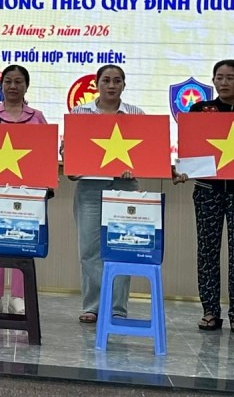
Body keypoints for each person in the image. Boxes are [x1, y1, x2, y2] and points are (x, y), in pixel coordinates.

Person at [172, 59, 234, 334]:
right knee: (207, 251)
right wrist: (184, 170)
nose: (223, 82)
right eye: (219, 77)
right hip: (207, 191)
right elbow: (190, 152)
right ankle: (210, 311)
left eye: (230, 77)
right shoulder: (200, 111)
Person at [69, 64, 143, 324]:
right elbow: (68, 151)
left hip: (125, 187)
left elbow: (145, 153)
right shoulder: (80, 112)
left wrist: (135, 167)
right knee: (89, 250)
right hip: (89, 188)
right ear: (97, 84)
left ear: (124, 84)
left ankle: (117, 309)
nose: (112, 85)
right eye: (106, 81)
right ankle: (93, 306)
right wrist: (71, 164)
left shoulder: (136, 114)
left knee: (122, 248)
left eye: (117, 81)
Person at [0, 65, 48, 315]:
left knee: (22, 238)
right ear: (1, 85)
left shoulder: (37, 116)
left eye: (18, 82)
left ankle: (19, 294)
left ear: (26, 86)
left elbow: (45, 155)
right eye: (8, 82)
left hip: (27, 190)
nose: (13, 86)